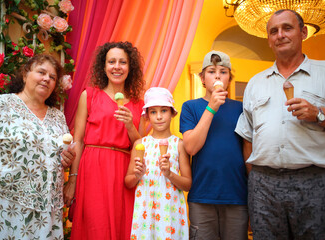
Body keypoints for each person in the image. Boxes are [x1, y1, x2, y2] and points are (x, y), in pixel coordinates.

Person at [235, 9, 325, 239]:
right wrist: (255, 185)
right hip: (264, 186)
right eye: (274, 31)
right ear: (269, 40)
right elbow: (248, 138)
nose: (280, 35)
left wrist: (318, 113)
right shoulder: (255, 83)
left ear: (303, 32)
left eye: (287, 28)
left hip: (317, 182)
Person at [0, 54, 76, 239]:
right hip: (6, 207)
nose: (47, 79)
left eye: (52, 77)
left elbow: (59, 155)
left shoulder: (58, 117)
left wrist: (67, 159)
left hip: (46, 213)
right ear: (25, 74)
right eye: (41, 72)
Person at [65, 41, 146, 239]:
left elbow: (140, 145)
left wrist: (130, 126)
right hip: (93, 168)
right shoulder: (89, 95)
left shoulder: (139, 104)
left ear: (130, 67)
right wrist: (72, 180)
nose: (117, 66)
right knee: (95, 225)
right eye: (112, 61)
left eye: (122, 62)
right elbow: (79, 140)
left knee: (123, 226)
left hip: (124, 172)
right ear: (104, 66)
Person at [180, 51, 248, 240]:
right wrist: (211, 108)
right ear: (202, 78)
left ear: (229, 78)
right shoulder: (190, 107)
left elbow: (248, 151)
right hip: (202, 196)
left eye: (223, 71)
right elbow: (191, 148)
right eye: (211, 71)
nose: (217, 75)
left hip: (236, 195)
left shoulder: (240, 109)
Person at [125, 87, 191, 239]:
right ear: (147, 116)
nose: (159, 117)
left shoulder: (179, 144)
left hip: (171, 214)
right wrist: (137, 175)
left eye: (164, 111)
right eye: (153, 112)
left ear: (172, 113)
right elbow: (128, 182)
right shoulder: (140, 144)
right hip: (146, 214)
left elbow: (187, 184)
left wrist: (169, 174)